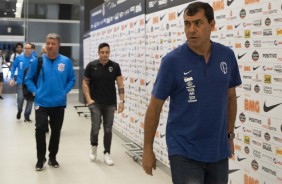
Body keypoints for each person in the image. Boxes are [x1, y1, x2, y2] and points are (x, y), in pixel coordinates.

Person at [142, 2, 242, 184]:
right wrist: (147, 148)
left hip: (218, 150)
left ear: (212, 25)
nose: (191, 30)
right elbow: (155, 107)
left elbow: (230, 98)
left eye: (198, 23)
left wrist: (229, 136)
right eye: (187, 24)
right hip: (184, 151)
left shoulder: (227, 56)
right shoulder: (171, 62)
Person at [25, 33, 76, 171]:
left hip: (58, 103)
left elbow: (72, 79)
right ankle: (40, 158)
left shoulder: (65, 61)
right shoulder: (38, 61)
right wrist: (35, 91)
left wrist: (64, 91)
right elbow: (28, 78)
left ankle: (52, 157)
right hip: (41, 103)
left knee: (56, 132)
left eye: (53, 43)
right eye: (48, 43)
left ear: (58, 45)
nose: (50, 46)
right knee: (40, 129)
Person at [82, 43, 125, 166]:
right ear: (99, 52)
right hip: (95, 103)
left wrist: (122, 101)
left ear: (109, 52)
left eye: (107, 52)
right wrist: (89, 99)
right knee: (95, 127)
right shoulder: (92, 66)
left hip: (110, 103)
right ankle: (94, 147)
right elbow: (85, 83)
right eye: (102, 52)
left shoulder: (115, 66)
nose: (105, 54)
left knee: (108, 129)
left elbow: (120, 85)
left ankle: (107, 153)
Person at [9, 43, 35, 122]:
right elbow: (13, 67)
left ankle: (27, 116)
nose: (27, 49)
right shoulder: (19, 58)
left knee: (30, 100)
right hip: (20, 82)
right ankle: (19, 110)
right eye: (25, 48)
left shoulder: (34, 59)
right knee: (20, 99)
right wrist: (11, 78)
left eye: (28, 48)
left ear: (31, 50)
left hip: (31, 83)